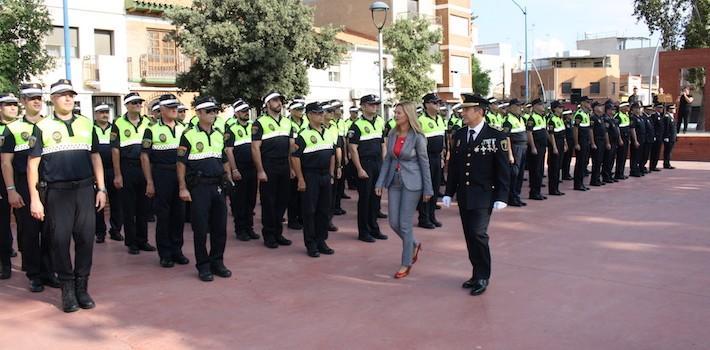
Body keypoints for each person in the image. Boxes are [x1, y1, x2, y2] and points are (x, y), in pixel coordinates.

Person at [27, 79, 107, 312]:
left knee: (85, 240)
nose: (68, 98)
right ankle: (68, 290)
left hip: (84, 190)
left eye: (70, 94)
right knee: (60, 241)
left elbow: (95, 157)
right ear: (52, 100)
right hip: (57, 192)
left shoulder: (86, 124)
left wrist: (101, 188)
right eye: (62, 95)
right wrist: (34, 198)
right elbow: (33, 165)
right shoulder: (42, 127)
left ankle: (82, 288)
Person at [442, 93, 510, 296]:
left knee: (479, 234)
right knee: (469, 235)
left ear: (479, 111)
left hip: (484, 194)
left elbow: (503, 169)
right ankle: (475, 272)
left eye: (466, 109)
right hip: (464, 194)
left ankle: (483, 275)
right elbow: (454, 166)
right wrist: (448, 192)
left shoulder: (496, 136)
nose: (462, 113)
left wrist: (502, 196)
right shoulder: (460, 135)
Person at [2, 85, 61, 292]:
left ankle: (49, 272)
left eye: (39, 98)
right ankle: (34, 275)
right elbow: (6, 163)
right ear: (23, 102)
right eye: (31, 98)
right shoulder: (13, 129)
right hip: (24, 186)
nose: (36, 101)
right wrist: (11, 190)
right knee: (29, 232)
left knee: (51, 231)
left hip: (51, 185)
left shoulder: (51, 124)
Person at [177, 96, 232, 281]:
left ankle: (217, 262)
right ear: (198, 113)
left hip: (217, 186)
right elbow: (181, 164)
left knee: (220, 227)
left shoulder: (218, 134)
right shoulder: (189, 134)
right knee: (200, 229)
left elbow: (223, 159)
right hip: (199, 187)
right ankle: (203, 265)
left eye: (215, 111)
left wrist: (228, 178)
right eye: (209, 111)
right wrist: (183, 188)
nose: (213, 114)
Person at [375, 101, 432, 278]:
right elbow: (388, 160)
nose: (395, 115)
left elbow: (424, 163)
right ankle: (414, 244)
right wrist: (380, 182)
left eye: (399, 113)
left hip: (413, 183)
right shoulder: (392, 134)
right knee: (393, 222)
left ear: (408, 115)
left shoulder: (418, 137)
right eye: (395, 112)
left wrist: (428, 189)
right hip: (394, 181)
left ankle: (405, 263)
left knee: (405, 224)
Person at [141, 94, 189, 268]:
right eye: (170, 107)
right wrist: (149, 181)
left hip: (181, 176)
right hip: (162, 175)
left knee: (180, 214)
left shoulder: (185, 128)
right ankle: (165, 253)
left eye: (175, 106)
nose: (174, 109)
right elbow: (145, 157)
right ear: (161, 110)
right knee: (163, 216)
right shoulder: (151, 130)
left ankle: (177, 250)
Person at [112, 92, 155, 255]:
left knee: (143, 206)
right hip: (127, 167)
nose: (138, 104)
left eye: (139, 102)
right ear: (127, 106)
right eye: (134, 102)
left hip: (144, 168)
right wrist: (118, 174)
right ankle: (131, 242)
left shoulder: (149, 122)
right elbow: (115, 150)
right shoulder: (118, 124)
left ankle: (142, 240)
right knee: (129, 207)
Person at [291, 102, 336, 258]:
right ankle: (311, 244)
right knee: (310, 211)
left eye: (322, 113)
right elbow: (295, 158)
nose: (322, 115)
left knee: (324, 210)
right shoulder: (302, 135)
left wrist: (331, 173)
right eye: (318, 113)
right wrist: (301, 179)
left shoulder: (328, 132)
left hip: (325, 175)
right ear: (309, 115)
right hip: (310, 175)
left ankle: (321, 241)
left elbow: (332, 154)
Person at [252, 91, 293, 249]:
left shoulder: (287, 122)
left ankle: (278, 232)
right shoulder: (259, 123)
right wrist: (260, 170)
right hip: (268, 165)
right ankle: (269, 234)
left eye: (280, 100)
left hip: (284, 165)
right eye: (275, 100)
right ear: (267, 104)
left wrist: (290, 166)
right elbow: (255, 148)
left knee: (282, 200)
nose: (279, 103)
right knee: (269, 201)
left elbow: (291, 146)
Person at [348, 94, 388, 243]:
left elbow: (383, 143)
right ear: (363, 106)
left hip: (378, 163)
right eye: (371, 104)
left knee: (376, 197)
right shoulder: (356, 125)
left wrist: (384, 163)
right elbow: (353, 149)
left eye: (376, 104)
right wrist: (359, 169)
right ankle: (363, 232)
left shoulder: (379, 121)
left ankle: (374, 228)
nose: (375, 106)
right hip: (365, 164)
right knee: (365, 199)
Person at [225, 99, 260, 241]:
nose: (246, 113)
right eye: (243, 111)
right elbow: (228, 151)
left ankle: (249, 228)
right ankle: (240, 229)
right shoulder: (231, 128)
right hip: (239, 169)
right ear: (237, 113)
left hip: (252, 168)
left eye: (247, 111)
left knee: (251, 199)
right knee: (239, 200)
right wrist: (234, 170)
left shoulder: (253, 126)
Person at [92, 104, 123, 243]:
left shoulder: (114, 128)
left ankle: (116, 230)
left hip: (112, 170)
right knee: (98, 203)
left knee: (117, 202)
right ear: (96, 114)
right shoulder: (91, 128)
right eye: (101, 112)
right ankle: (100, 232)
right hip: (97, 171)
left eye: (106, 112)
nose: (104, 115)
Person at [416, 93, 445, 229]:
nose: (438, 105)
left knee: (435, 187)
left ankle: (432, 216)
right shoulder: (420, 120)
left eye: (439, 103)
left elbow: (442, 139)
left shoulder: (440, 119)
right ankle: (424, 218)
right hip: (425, 158)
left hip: (437, 157)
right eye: (435, 103)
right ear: (427, 104)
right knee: (425, 189)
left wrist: (443, 155)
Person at [0, 93, 19, 280]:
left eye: (15, 104)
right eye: (8, 105)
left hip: (19, 180)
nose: (13, 107)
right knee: (2, 224)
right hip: (2, 182)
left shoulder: (23, 128)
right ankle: (4, 263)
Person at [501, 98, 527, 206]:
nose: (520, 108)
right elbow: (506, 138)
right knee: (514, 174)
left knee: (520, 173)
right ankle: (511, 197)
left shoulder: (520, 118)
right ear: (511, 107)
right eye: (517, 106)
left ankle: (517, 195)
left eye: (520, 106)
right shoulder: (508, 120)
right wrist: (510, 154)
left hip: (523, 148)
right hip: (515, 148)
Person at [526, 99, 548, 200]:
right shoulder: (532, 118)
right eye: (540, 105)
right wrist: (533, 147)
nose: (542, 106)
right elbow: (529, 133)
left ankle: (538, 191)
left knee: (540, 169)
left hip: (542, 147)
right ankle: (534, 192)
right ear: (534, 106)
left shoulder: (542, 117)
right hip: (536, 146)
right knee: (535, 170)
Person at [546, 101, 566, 195]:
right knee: (554, 167)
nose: (561, 109)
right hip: (555, 144)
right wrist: (554, 147)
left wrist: (565, 144)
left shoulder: (560, 118)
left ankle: (556, 188)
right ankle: (552, 189)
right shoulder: (551, 119)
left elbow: (563, 133)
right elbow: (551, 134)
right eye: (559, 107)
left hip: (561, 143)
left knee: (558, 167)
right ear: (554, 109)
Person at [573, 97, 593, 191]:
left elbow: (588, 129)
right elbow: (575, 129)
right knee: (580, 163)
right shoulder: (579, 115)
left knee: (584, 162)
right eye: (587, 102)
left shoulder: (586, 114)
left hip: (586, 141)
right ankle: (577, 184)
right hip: (581, 142)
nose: (589, 104)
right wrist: (576, 143)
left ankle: (581, 183)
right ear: (582, 103)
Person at [589, 101, 610, 187]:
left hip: (602, 141)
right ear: (595, 108)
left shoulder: (601, 118)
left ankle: (598, 178)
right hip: (597, 140)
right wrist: (593, 143)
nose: (601, 108)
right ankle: (594, 180)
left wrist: (607, 142)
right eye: (599, 106)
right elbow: (591, 131)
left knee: (600, 161)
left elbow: (605, 131)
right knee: (596, 161)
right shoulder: (593, 118)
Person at [602, 101, 621, 184]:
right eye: (612, 109)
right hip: (609, 141)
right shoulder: (606, 119)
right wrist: (607, 142)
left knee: (612, 159)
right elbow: (606, 132)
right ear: (608, 110)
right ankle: (606, 176)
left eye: (614, 109)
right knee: (607, 160)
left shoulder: (613, 119)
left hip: (614, 141)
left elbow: (617, 130)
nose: (613, 111)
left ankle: (609, 175)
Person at [614, 102, 631, 180]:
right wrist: (619, 139)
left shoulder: (626, 115)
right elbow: (617, 129)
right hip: (621, 139)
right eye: (626, 107)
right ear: (621, 107)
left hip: (626, 138)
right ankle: (618, 173)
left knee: (624, 156)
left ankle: (621, 172)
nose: (628, 108)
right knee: (620, 157)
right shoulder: (618, 116)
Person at [629, 102, 645, 177]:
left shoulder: (640, 118)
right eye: (637, 108)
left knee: (639, 155)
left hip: (642, 139)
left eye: (639, 108)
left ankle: (638, 169)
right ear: (633, 109)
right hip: (637, 139)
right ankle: (633, 170)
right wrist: (635, 140)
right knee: (635, 156)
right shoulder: (633, 118)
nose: (639, 109)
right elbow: (633, 129)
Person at [649, 104, 666, 172]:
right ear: (656, 108)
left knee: (657, 152)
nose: (661, 109)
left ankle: (654, 166)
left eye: (662, 108)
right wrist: (654, 136)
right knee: (654, 152)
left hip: (660, 137)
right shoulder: (654, 115)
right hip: (656, 137)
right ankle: (652, 166)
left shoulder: (660, 115)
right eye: (660, 107)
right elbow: (653, 127)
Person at [561, 109, 575, 181]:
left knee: (569, 159)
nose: (571, 116)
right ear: (566, 115)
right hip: (567, 142)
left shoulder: (570, 122)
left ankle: (567, 173)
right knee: (565, 159)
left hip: (571, 142)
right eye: (570, 114)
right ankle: (564, 174)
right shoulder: (564, 122)